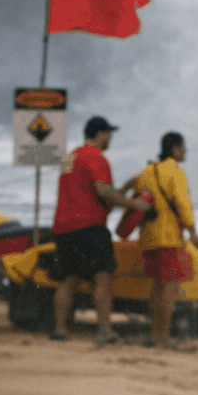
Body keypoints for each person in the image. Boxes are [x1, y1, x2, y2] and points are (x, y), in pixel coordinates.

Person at [49, 116, 150, 344]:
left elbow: (95, 196)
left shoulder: (71, 157)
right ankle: (104, 330)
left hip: (64, 226)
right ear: (100, 134)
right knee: (103, 278)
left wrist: (124, 188)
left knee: (68, 279)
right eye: (109, 133)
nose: (111, 138)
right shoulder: (96, 157)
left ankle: (59, 329)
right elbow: (103, 192)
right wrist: (135, 205)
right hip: (89, 227)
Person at [123, 132, 198, 349]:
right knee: (168, 288)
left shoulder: (146, 172)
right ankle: (163, 338)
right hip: (168, 238)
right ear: (174, 149)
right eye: (183, 147)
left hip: (148, 237)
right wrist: (192, 230)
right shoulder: (175, 172)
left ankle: (156, 334)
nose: (186, 151)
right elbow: (183, 203)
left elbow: (138, 200)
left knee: (157, 288)